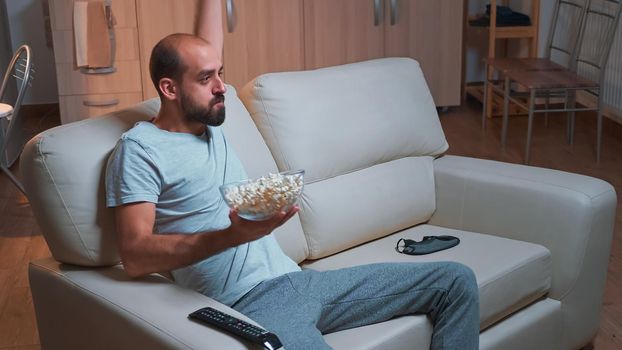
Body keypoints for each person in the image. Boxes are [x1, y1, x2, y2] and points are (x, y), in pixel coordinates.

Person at [105, 1, 480, 348]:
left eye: (221, 73)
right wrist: (229, 236)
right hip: (249, 303)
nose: (222, 87)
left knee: (455, 281)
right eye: (207, 79)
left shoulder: (209, 118)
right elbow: (136, 255)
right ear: (169, 89)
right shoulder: (140, 150)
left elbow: (206, 44)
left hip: (301, 280)